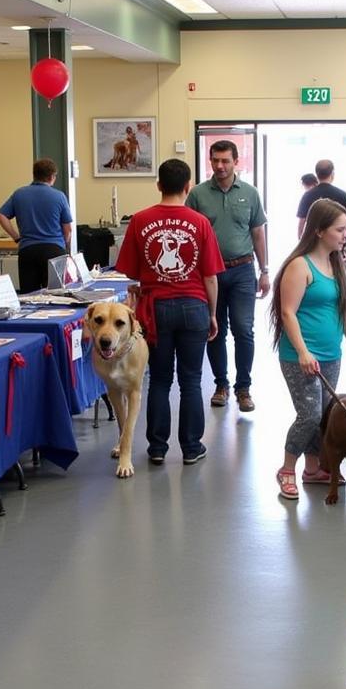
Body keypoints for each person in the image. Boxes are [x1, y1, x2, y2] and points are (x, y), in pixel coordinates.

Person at [115, 158, 223, 464]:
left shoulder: (139, 220)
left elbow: (129, 271)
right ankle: (191, 447)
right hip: (193, 306)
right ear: (188, 187)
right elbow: (210, 276)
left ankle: (157, 448)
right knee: (191, 379)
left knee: (159, 379)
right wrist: (212, 314)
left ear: (159, 185)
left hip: (155, 308)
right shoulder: (200, 222)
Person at [270, 199, 346, 500]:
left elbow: (343, 311)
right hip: (301, 356)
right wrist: (302, 351)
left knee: (324, 415)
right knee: (309, 415)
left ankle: (313, 469)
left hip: (330, 354)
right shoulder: (300, 266)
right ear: (319, 231)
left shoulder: (336, 263)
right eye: (340, 229)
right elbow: (287, 312)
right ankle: (287, 469)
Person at [186, 140, 268, 412]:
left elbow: (258, 233)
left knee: (244, 329)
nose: (220, 166)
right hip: (210, 273)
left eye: (225, 161)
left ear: (236, 162)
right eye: (215, 160)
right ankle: (221, 385)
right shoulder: (198, 194)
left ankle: (243, 388)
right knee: (215, 330)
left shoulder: (250, 193)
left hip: (243, 269)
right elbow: (189, 235)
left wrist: (265, 271)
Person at [0, 158, 74, 293]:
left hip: (28, 250)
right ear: (52, 176)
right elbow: (68, 229)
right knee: (56, 295)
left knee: (29, 296)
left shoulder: (19, 194)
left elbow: (1, 215)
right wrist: (64, 245)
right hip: (54, 250)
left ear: (34, 174)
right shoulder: (59, 196)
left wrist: (16, 237)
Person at [296, 158, 346, 255]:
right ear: (332, 174)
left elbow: (301, 223)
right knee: (338, 269)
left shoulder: (308, 195)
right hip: (337, 244)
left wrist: (301, 242)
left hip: (315, 245)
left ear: (317, 174)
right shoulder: (342, 195)